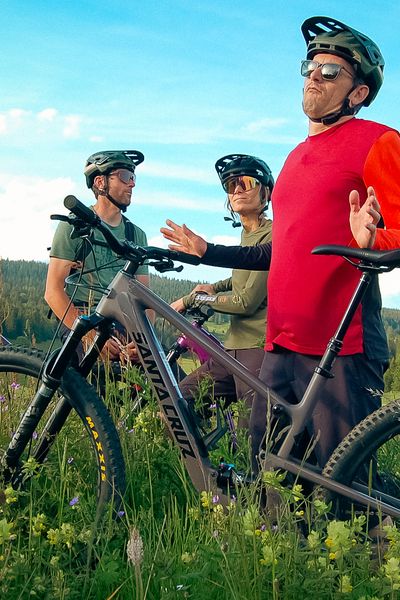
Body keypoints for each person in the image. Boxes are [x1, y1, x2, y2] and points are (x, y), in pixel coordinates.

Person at [161, 16, 400, 473]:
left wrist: (371, 239)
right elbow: (279, 253)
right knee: (270, 478)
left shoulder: (378, 141)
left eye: (331, 72)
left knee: (347, 490)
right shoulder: (294, 157)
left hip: (341, 347)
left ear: (359, 93)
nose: (315, 75)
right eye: (310, 66)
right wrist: (208, 251)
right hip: (279, 346)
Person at [170, 154, 274, 429]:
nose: (237, 189)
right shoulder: (247, 235)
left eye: (246, 182)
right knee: (176, 406)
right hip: (230, 349)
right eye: (230, 185)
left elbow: (246, 301)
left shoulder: (272, 235)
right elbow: (242, 276)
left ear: (266, 192)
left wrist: (193, 298)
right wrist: (215, 287)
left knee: (253, 438)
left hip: (257, 351)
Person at [45, 150, 149, 362]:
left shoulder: (136, 235)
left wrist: (143, 341)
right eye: (125, 177)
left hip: (123, 320)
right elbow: (53, 292)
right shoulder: (73, 226)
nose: (132, 184)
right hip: (82, 317)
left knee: (174, 379)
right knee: (90, 383)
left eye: (134, 178)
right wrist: (88, 336)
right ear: (100, 182)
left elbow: (145, 299)